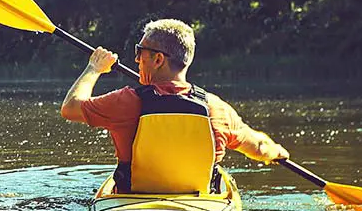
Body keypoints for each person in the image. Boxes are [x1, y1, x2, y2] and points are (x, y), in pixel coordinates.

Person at [59, 19, 290, 194]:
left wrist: (94, 68)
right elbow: (259, 147)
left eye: (140, 52)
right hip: (198, 209)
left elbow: (70, 108)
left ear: (158, 60)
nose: (137, 60)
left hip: (131, 203)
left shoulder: (126, 101)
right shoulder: (216, 109)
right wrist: (277, 152)